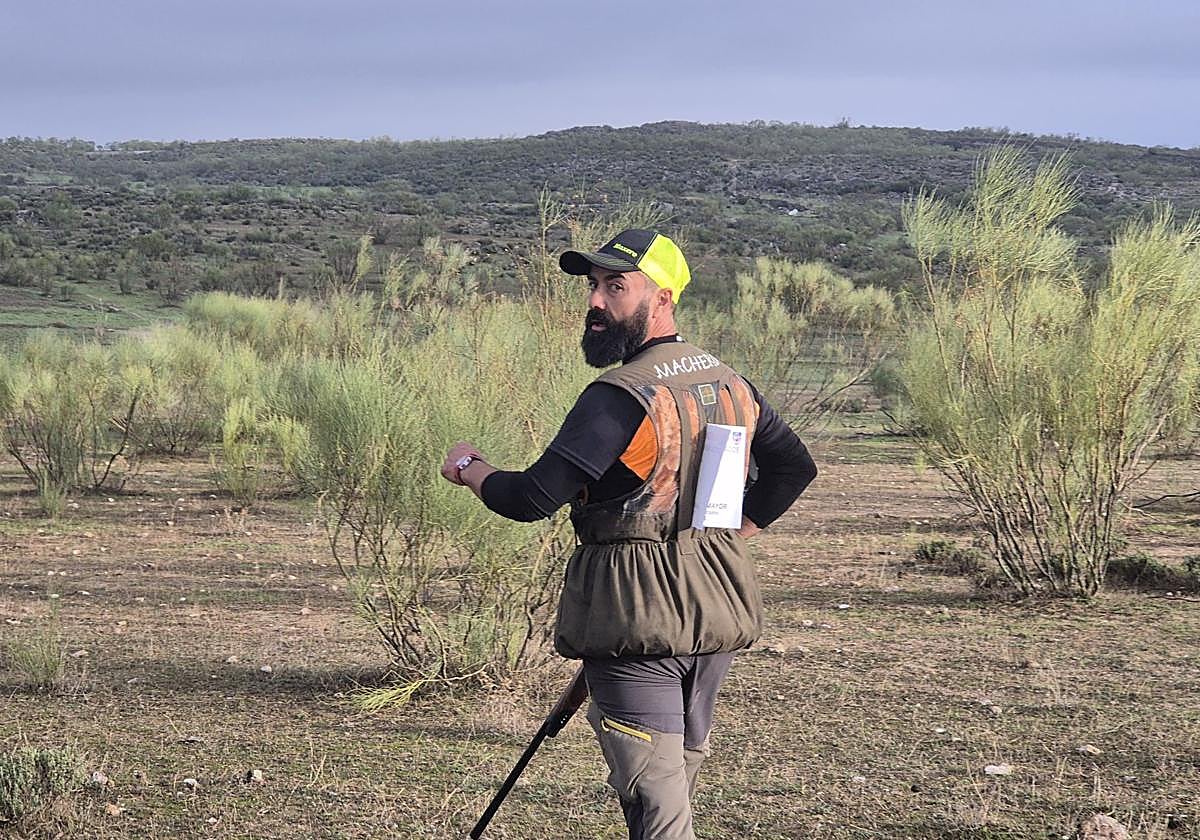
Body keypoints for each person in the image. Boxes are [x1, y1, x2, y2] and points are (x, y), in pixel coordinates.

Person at [441, 229, 817, 839]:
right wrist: (720, 541)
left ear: (663, 297)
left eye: (616, 286)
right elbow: (794, 469)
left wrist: (468, 469)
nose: (596, 301)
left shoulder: (620, 396)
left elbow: (533, 497)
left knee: (657, 809)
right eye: (593, 285)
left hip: (635, 623)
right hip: (711, 617)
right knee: (672, 789)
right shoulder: (727, 382)